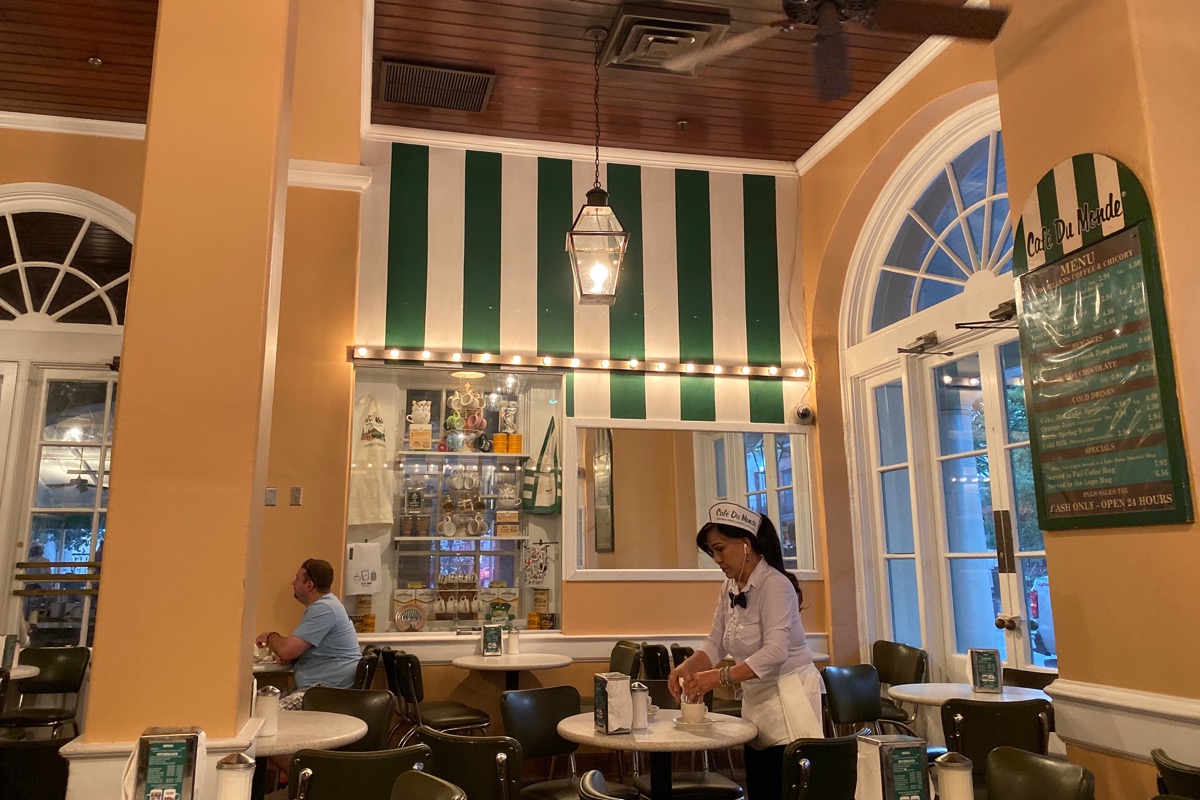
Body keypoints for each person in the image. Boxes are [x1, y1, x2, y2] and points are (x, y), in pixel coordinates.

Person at [669, 502, 824, 800]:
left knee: (782, 787)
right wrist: (686, 668)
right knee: (760, 783)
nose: (716, 559)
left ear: (745, 545)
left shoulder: (775, 586)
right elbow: (716, 642)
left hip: (789, 700)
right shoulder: (730, 586)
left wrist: (718, 678)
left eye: (720, 549)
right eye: (711, 552)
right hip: (756, 701)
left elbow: (775, 652)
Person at [256, 558, 360, 705]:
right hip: (323, 688)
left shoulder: (324, 609)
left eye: (297, 579)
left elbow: (287, 650)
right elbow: (296, 649)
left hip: (325, 692)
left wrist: (270, 636)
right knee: (262, 705)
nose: (293, 583)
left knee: (267, 716)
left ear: (309, 585)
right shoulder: (327, 606)